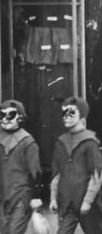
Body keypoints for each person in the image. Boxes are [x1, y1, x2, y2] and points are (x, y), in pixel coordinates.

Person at [50, 97, 102, 234]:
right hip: (66, 202)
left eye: (71, 113)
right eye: (64, 113)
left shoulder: (90, 142)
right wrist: (53, 198)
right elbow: (56, 174)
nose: (66, 117)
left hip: (87, 203)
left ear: (82, 116)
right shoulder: (61, 142)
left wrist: (88, 200)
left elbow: (97, 175)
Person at [0, 100, 42, 234]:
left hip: (21, 197)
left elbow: (35, 172)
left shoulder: (28, 143)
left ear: (20, 117)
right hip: (3, 195)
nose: (5, 119)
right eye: (1, 115)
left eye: (10, 115)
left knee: (14, 230)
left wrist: (36, 196)